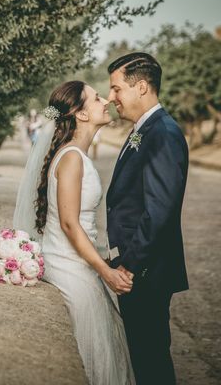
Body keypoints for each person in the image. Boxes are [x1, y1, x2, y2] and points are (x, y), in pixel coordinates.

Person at [12, 80, 135, 384]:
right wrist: (105, 271)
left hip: (80, 266)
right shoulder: (71, 158)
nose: (105, 99)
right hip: (73, 272)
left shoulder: (76, 155)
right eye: (95, 98)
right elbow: (69, 223)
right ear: (80, 115)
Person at [106, 52, 189, 385]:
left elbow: (159, 209)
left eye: (116, 89)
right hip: (138, 267)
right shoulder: (146, 128)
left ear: (141, 87)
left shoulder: (163, 133)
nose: (112, 99)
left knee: (151, 358)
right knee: (142, 355)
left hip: (145, 270)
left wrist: (128, 265)